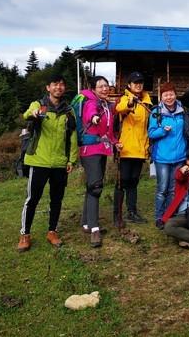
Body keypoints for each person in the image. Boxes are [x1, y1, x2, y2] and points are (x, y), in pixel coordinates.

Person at [18, 73, 78, 252]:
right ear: (48, 87)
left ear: (64, 88)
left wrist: (72, 160)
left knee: (57, 200)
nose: (58, 87)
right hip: (38, 160)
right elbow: (27, 115)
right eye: (55, 84)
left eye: (61, 85)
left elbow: (73, 136)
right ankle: (25, 234)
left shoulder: (69, 111)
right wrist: (34, 114)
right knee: (32, 199)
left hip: (60, 162)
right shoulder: (39, 105)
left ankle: (52, 231)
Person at [78, 76, 119, 248]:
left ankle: (86, 223)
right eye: (100, 86)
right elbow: (90, 114)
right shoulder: (91, 102)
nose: (104, 89)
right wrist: (94, 117)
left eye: (106, 86)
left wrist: (116, 142)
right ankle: (95, 229)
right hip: (90, 150)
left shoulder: (106, 105)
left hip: (101, 149)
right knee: (96, 187)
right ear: (93, 89)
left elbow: (107, 131)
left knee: (92, 185)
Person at [114, 71, 153, 227]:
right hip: (125, 149)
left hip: (140, 149)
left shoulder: (147, 102)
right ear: (129, 85)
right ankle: (117, 215)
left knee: (133, 182)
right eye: (135, 82)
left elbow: (147, 127)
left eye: (140, 82)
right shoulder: (125, 99)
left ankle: (132, 212)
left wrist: (148, 146)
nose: (138, 85)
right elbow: (120, 108)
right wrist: (130, 103)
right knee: (121, 182)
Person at [148, 82, 187, 229]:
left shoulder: (183, 111)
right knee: (162, 189)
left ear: (175, 94)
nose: (169, 97)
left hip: (179, 157)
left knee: (173, 189)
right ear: (161, 96)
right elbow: (151, 133)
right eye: (166, 95)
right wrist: (163, 130)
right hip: (162, 158)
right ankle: (159, 217)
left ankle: (169, 215)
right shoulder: (156, 112)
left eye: (171, 94)